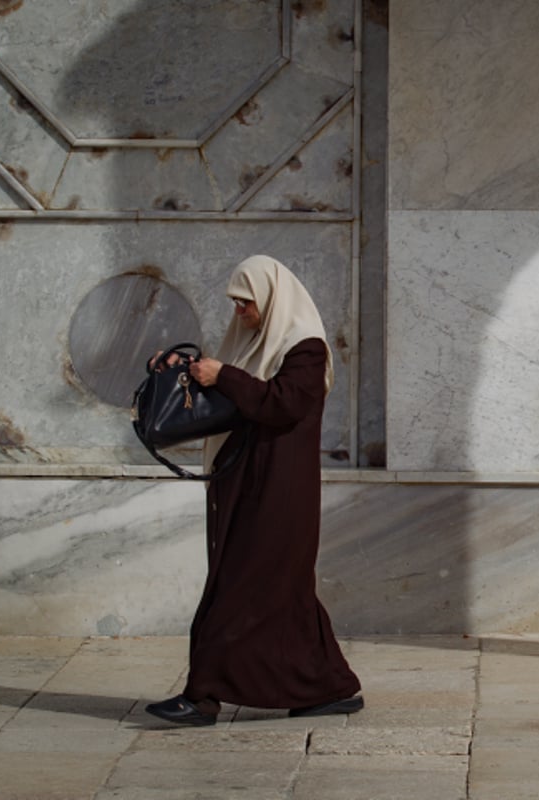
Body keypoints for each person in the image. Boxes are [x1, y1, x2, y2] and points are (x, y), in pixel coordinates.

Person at [146, 255, 362, 725]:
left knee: (236, 591)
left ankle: (202, 696)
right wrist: (181, 369)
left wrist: (223, 375)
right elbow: (228, 401)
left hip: (279, 494)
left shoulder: (306, 349)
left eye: (246, 304)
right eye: (236, 304)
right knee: (285, 596)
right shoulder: (250, 345)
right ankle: (330, 686)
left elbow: (281, 404)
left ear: (271, 297)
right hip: (245, 485)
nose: (240, 313)